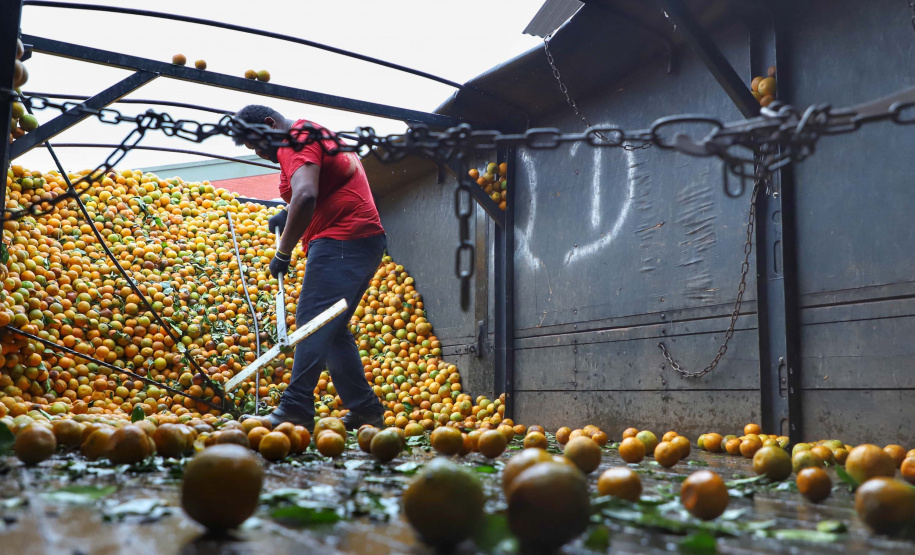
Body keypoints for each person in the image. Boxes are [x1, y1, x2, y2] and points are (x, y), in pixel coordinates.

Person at [233, 104, 386, 431]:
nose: (260, 153)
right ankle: (365, 409)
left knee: (312, 321)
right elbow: (324, 187)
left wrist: (283, 253)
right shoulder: (309, 132)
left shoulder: (295, 139)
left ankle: (295, 407)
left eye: (258, 144)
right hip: (357, 239)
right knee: (329, 328)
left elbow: (305, 196)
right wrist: (286, 215)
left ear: (271, 124)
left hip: (344, 238)